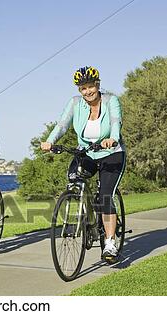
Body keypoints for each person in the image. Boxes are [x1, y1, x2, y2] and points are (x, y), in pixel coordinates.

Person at [41, 66, 126, 260]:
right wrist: (50, 141)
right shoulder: (75, 103)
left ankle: (110, 242)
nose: (87, 92)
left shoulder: (111, 100)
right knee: (73, 180)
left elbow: (116, 122)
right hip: (87, 152)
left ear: (97, 85)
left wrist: (112, 138)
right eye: (82, 88)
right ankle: (85, 220)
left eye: (90, 87)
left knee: (105, 195)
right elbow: (62, 124)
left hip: (112, 153)